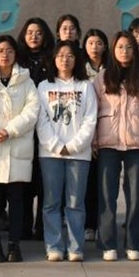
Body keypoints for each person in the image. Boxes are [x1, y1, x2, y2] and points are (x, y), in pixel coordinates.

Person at [94, 31, 139, 262]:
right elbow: (93, 110)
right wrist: (94, 141)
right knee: (107, 195)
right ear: (113, 50)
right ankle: (108, 243)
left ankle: (133, 242)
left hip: (136, 144)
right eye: (120, 47)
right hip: (108, 143)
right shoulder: (102, 77)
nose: (125, 51)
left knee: (136, 196)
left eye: (129, 47)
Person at [0, 35, 39, 263]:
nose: (5, 55)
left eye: (10, 51)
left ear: (16, 54)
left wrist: (10, 130)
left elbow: (32, 112)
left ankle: (14, 245)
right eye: (1, 50)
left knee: (17, 200)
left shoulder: (26, 81)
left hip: (17, 148)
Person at [36, 40, 97, 262]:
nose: (65, 59)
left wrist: (72, 146)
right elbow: (41, 120)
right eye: (60, 55)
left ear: (76, 59)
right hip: (50, 154)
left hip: (79, 154)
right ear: (53, 59)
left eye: (70, 55)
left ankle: (75, 247)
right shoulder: (44, 87)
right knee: (51, 202)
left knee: (75, 203)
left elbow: (90, 120)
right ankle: (53, 246)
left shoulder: (86, 86)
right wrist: (56, 145)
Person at [17, 16, 53, 240]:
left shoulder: (52, 58)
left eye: (39, 33)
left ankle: (42, 226)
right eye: (30, 32)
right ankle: (23, 225)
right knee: (24, 179)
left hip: (47, 125)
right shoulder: (18, 59)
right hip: (23, 126)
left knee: (44, 180)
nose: (34, 36)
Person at [81, 29, 109, 243]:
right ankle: (89, 224)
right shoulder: (80, 70)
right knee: (88, 182)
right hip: (84, 130)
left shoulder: (111, 70)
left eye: (99, 43)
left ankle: (104, 225)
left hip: (108, 130)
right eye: (91, 43)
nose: (95, 47)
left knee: (105, 183)